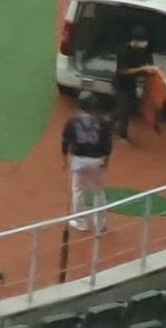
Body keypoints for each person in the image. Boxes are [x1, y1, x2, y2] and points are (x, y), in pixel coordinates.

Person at [61, 92, 113, 236]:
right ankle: (100, 226)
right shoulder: (103, 121)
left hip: (79, 161)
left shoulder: (72, 121)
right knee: (98, 192)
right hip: (97, 160)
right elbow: (108, 144)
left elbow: (65, 141)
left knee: (78, 190)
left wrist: (64, 160)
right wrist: (106, 161)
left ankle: (80, 222)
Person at [113, 26, 155, 141]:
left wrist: (151, 68)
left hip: (131, 82)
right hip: (121, 83)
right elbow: (123, 71)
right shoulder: (123, 51)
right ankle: (122, 134)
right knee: (124, 110)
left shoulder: (145, 48)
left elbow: (149, 59)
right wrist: (142, 69)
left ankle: (110, 120)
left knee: (130, 107)